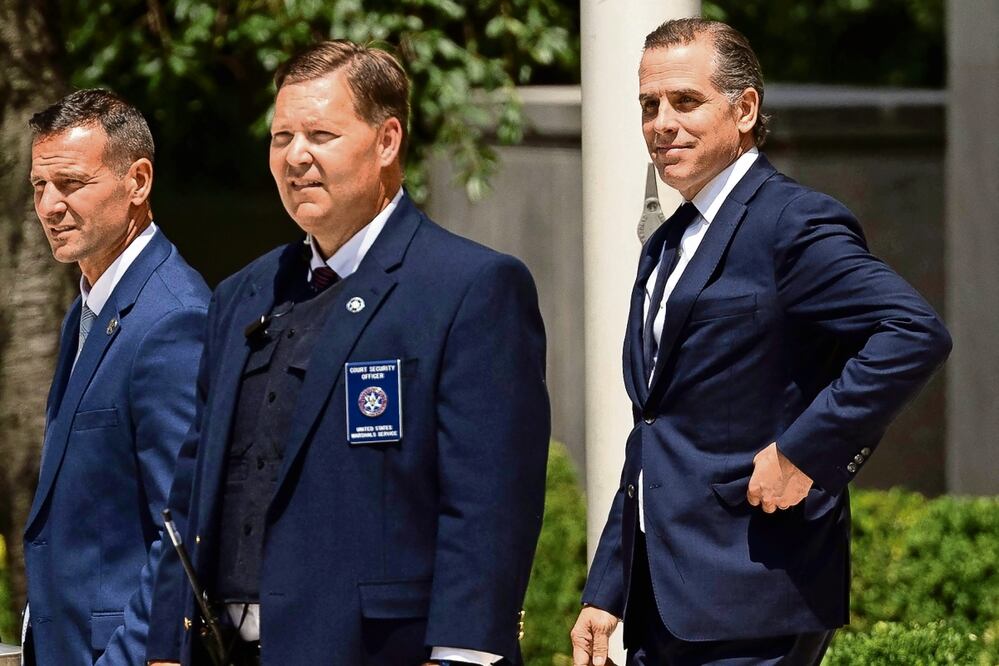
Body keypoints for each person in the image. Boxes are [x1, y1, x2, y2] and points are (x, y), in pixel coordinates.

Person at [144, 40, 550, 666]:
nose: (295, 157)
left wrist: (461, 657)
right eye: (281, 138)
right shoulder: (241, 294)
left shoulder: (469, 288)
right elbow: (193, 486)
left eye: (321, 135)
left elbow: (488, 506)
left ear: (387, 141)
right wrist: (167, 651)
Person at [570, 18, 952, 666]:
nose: (661, 124)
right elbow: (655, 431)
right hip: (661, 605)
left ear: (744, 109)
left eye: (684, 101)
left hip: (757, 589)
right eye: (648, 105)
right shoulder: (665, 246)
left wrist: (805, 452)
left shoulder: (791, 222)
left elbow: (912, 332)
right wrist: (607, 587)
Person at [21, 89, 210, 665]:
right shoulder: (87, 307)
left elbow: (183, 533)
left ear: (138, 181)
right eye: (39, 186)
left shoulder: (173, 318)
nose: (49, 206)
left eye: (71, 183)